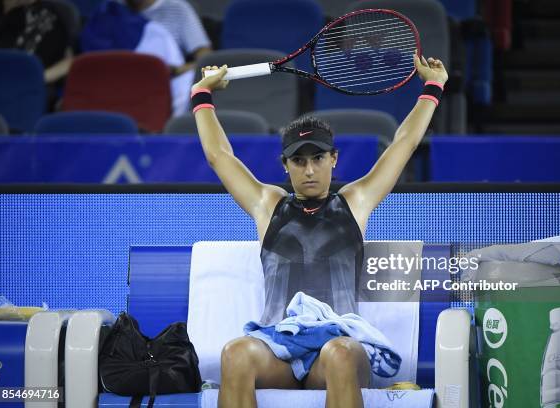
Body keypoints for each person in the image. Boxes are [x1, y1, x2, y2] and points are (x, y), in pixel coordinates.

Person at [192, 52, 448, 408]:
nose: (309, 169)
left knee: (341, 352)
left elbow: (403, 144)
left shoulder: (355, 201)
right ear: (285, 165)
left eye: (317, 158)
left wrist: (433, 87)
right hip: (279, 350)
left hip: (336, 350)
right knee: (235, 353)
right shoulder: (268, 204)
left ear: (334, 159)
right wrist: (202, 94)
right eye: (299, 160)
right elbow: (219, 156)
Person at [125, 0, 211, 76]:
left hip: (171, 84)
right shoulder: (114, 12)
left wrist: (176, 70)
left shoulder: (177, 7)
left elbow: (206, 60)